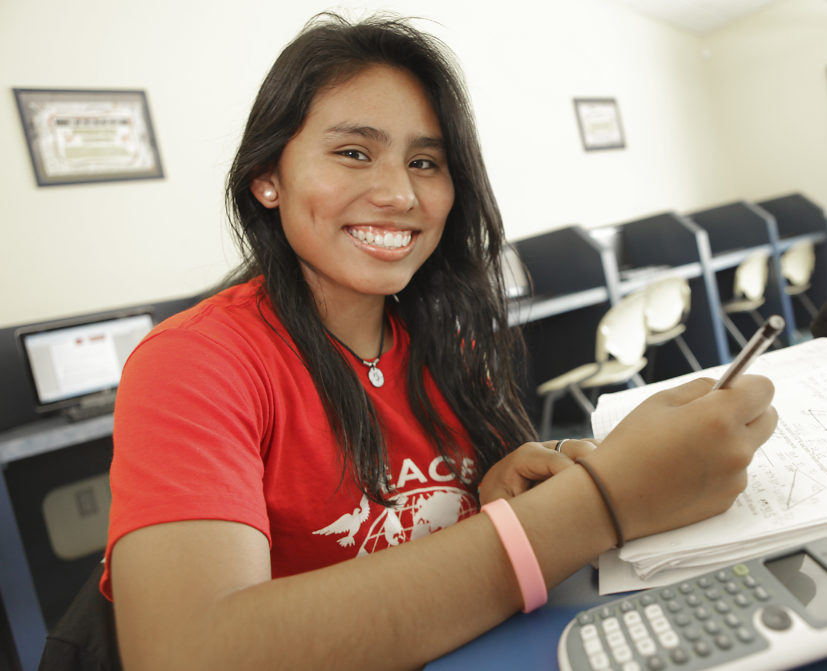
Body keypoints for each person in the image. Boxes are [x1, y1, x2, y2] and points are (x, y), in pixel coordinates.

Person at [102, 12, 777, 671]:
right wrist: (602, 500)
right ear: (267, 178)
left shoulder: (444, 341)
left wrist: (504, 491)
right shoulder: (193, 364)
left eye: (426, 161)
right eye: (353, 152)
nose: (399, 193)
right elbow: (189, 653)